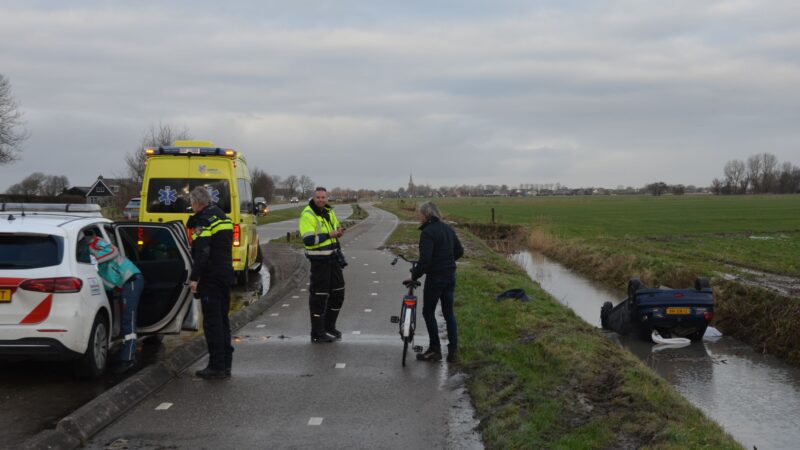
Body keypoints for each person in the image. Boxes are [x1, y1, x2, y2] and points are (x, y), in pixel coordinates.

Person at [405, 201, 464, 363]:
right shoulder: (448, 229)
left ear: (426, 215)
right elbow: (460, 251)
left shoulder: (428, 232)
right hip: (450, 276)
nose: (419, 217)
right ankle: (453, 352)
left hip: (436, 278)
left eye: (420, 214)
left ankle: (435, 349)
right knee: (448, 313)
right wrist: (447, 261)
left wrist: (414, 276)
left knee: (428, 312)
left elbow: (425, 261)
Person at [188, 186, 235, 379]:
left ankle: (216, 366)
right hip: (225, 274)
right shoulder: (222, 217)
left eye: (191, 203)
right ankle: (225, 364)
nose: (191, 206)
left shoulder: (203, 221)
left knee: (213, 323)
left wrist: (194, 278)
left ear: (197, 203)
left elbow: (203, 252)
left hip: (211, 277)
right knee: (223, 320)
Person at [83, 230, 144, 374]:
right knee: (126, 320)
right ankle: (126, 354)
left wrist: (92, 256)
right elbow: (108, 283)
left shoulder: (96, 242)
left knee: (128, 320)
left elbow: (113, 251)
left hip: (131, 280)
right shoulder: (88, 256)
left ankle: (128, 359)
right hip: (124, 283)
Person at [299, 187, 346, 343]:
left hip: (333, 258)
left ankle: (329, 327)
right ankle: (317, 333)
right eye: (318, 197)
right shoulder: (308, 214)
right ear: (313, 198)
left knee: (338, 292)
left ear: (327, 198)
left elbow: (334, 228)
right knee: (319, 297)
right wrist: (329, 235)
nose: (321, 200)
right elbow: (309, 240)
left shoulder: (329, 211)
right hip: (319, 261)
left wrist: (339, 231)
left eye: (323, 197)